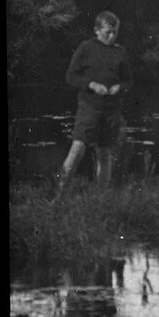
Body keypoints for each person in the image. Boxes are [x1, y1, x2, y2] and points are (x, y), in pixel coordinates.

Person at [58, 10, 132, 188]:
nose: (112, 36)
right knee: (77, 149)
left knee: (104, 154)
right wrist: (91, 84)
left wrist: (119, 87)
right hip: (89, 108)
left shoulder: (120, 52)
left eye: (115, 32)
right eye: (108, 32)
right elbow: (71, 76)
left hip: (111, 111)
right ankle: (59, 194)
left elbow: (129, 81)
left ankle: (101, 198)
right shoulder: (86, 48)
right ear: (96, 30)